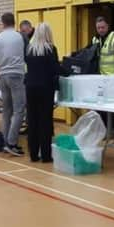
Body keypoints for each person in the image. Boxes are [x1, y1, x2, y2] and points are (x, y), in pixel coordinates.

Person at [25, 23, 70, 162]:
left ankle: (33, 154)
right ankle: (45, 155)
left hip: (30, 87)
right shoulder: (50, 49)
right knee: (45, 121)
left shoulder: (30, 49)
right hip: (45, 88)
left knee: (32, 120)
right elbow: (55, 68)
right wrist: (68, 71)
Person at [0, 12, 27, 156]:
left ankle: (5, 141)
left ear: (2, 23)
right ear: (14, 22)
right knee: (20, 109)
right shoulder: (20, 36)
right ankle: (12, 142)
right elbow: (28, 55)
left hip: (2, 75)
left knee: (7, 110)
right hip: (16, 74)